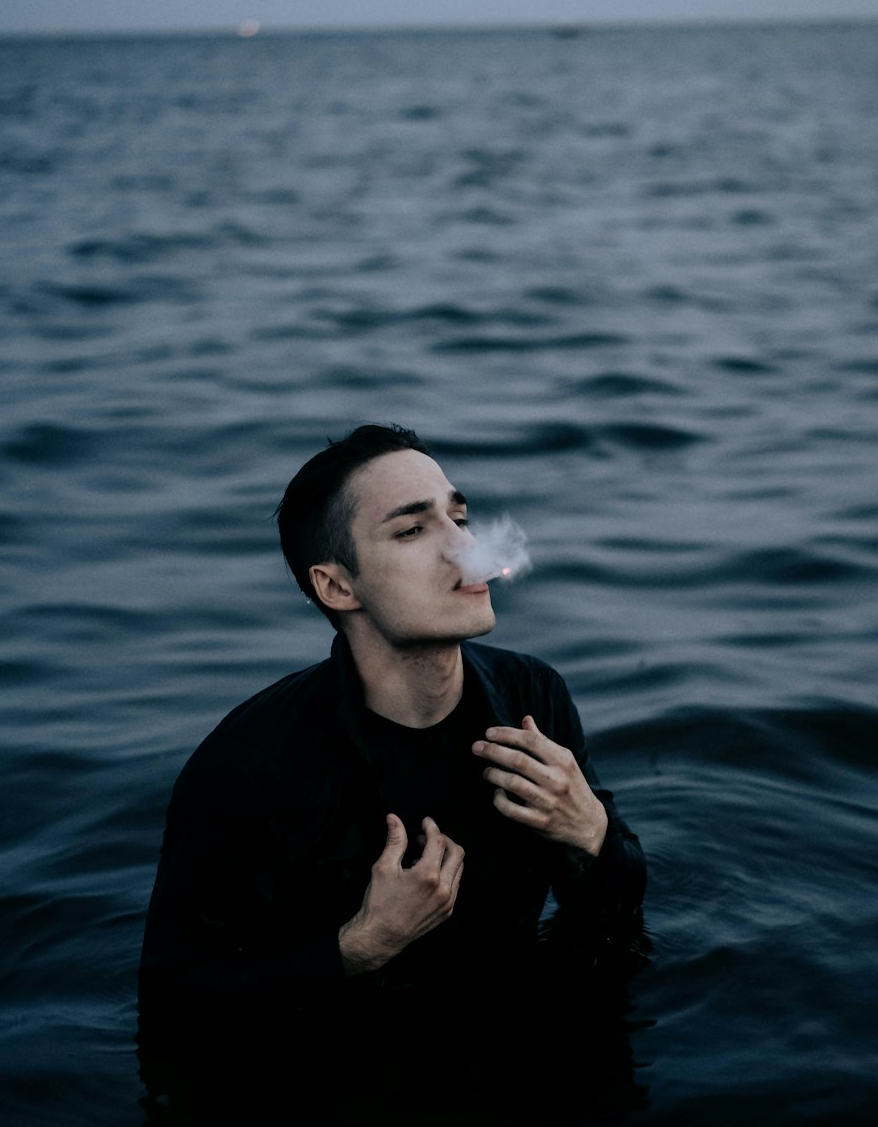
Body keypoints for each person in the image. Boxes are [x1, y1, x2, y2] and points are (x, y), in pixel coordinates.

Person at [139, 424, 645, 1069]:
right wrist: (361, 946)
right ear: (337, 587)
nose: (463, 547)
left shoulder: (532, 696)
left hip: (527, 1046)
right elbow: (170, 999)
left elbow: (614, 918)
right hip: (351, 1082)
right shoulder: (249, 764)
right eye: (412, 531)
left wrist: (593, 836)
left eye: (458, 518)